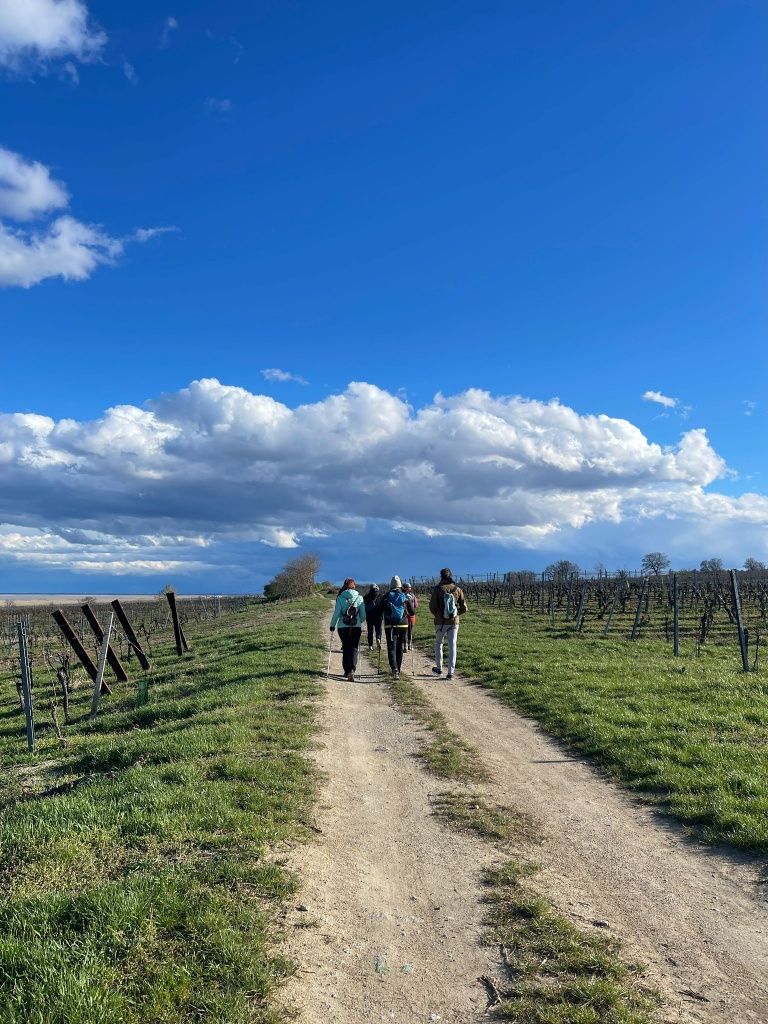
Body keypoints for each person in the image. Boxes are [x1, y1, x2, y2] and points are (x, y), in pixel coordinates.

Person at [429, 567, 467, 680]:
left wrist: (438, 615)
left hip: (440, 622)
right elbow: (464, 607)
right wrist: (456, 614)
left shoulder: (437, 589)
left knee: (439, 644)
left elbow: (431, 606)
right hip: (454, 622)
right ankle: (450, 673)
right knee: (452, 645)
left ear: (441, 576)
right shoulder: (458, 589)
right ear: (451, 576)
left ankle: (439, 668)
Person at [330, 577, 366, 682]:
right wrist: (359, 620)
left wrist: (332, 625)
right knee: (354, 648)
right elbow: (363, 615)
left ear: (345, 586)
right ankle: (352, 670)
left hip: (343, 626)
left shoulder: (340, 598)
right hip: (356, 627)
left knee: (346, 647)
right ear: (354, 586)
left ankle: (346, 671)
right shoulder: (360, 597)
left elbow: (336, 613)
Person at [378, 576, 414, 679]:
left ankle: (395, 669)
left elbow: (379, 610)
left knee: (391, 646)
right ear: (400, 585)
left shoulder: (386, 596)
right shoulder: (405, 596)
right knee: (399, 646)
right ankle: (399, 667)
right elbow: (412, 612)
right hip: (403, 624)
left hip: (390, 624)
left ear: (390, 585)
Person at [363, 584, 382, 650]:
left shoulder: (366, 597)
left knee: (370, 631)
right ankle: (378, 638)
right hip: (378, 616)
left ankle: (370, 645)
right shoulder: (380, 596)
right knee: (378, 629)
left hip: (369, 616)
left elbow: (363, 607)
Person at [402, 582, 419, 650]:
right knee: (410, 631)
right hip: (411, 616)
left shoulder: (401, 595)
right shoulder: (412, 595)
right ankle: (410, 645)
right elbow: (416, 605)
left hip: (404, 615)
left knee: (404, 631)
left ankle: (404, 647)